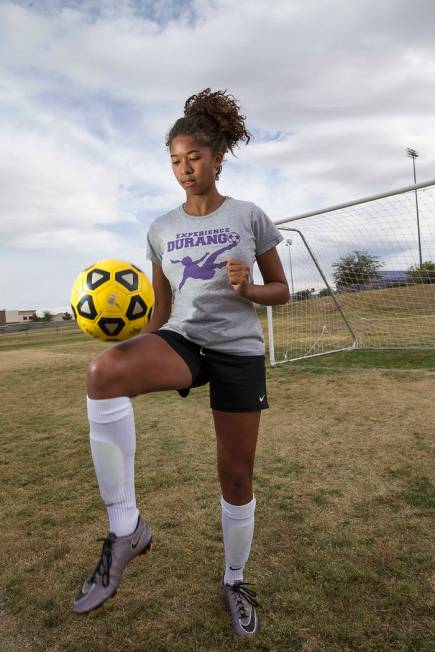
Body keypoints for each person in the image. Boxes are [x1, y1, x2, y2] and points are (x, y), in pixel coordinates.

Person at [73, 88, 289, 638]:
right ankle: (126, 529)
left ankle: (234, 579)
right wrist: (132, 347)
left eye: (193, 157)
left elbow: (282, 290)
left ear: (217, 157)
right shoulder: (160, 229)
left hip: (237, 350)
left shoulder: (249, 215)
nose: (184, 168)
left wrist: (249, 291)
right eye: (174, 160)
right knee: (104, 372)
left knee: (237, 476)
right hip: (183, 342)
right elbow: (162, 307)